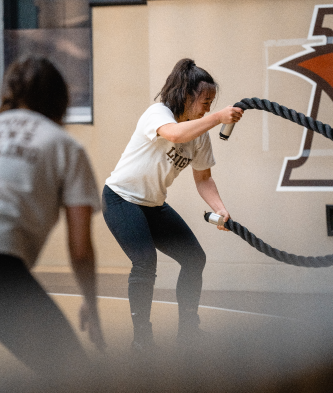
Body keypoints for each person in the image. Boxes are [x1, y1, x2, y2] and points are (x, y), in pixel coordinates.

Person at [102, 58, 243, 352]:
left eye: (212, 102)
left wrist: (220, 208)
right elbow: (175, 134)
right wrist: (217, 117)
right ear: (187, 95)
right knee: (145, 261)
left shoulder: (200, 136)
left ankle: (189, 331)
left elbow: (203, 178)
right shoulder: (158, 113)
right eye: (205, 101)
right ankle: (141, 338)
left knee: (194, 259)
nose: (207, 107)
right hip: (121, 199)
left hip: (153, 206)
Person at [0, 57, 105, 381]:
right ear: (60, 99)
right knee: (74, 377)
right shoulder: (66, 147)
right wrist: (90, 302)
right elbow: (80, 249)